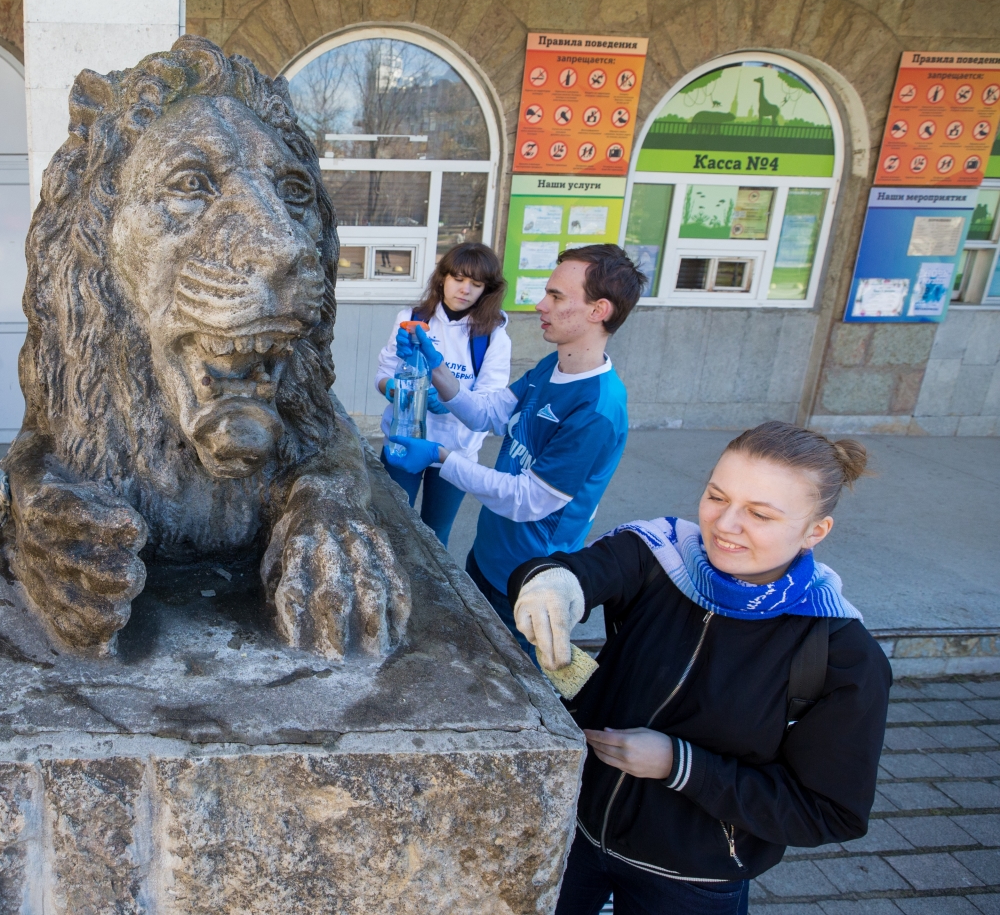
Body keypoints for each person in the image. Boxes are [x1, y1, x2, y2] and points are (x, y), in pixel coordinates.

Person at [508, 421, 891, 914]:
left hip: (691, 880)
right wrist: (550, 585)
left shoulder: (841, 654)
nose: (725, 525)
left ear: (814, 531)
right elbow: (574, 570)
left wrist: (680, 765)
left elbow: (831, 811)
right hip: (574, 832)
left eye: (759, 514)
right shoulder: (661, 555)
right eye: (716, 496)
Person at [386, 244, 645, 656]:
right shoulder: (550, 366)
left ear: (599, 310)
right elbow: (487, 414)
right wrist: (435, 367)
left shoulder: (597, 410)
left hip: (528, 582)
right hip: (487, 556)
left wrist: (440, 457)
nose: (541, 305)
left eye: (556, 296)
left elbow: (527, 500)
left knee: (514, 676)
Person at [374, 243, 511, 546]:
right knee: (391, 527)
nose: (465, 289)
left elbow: (490, 402)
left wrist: (451, 403)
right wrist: (394, 389)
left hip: (455, 450)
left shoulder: (492, 336)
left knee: (436, 535)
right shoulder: (411, 318)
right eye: (458, 279)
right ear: (442, 278)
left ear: (488, 290)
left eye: (476, 284)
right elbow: (382, 375)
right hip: (404, 440)